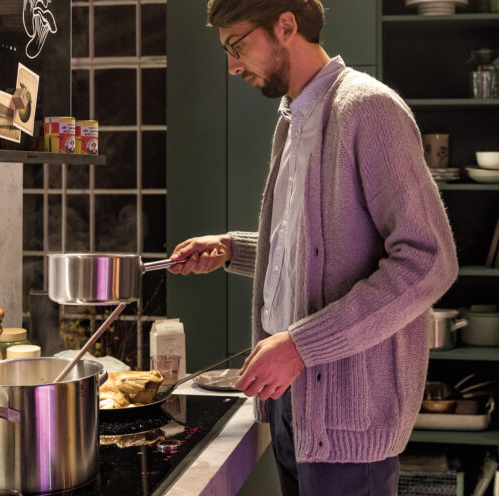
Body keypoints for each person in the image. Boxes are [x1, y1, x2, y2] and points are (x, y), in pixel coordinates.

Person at [167, 1, 458, 494]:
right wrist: (232, 249)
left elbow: (428, 262)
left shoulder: (368, 109)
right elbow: (319, 251)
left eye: (236, 46)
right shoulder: (295, 120)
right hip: (291, 402)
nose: (233, 66)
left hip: (348, 419)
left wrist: (302, 345)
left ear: (285, 26)